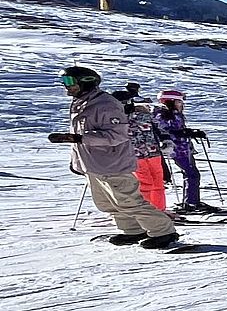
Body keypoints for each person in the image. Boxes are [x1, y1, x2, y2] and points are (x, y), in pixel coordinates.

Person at [49, 66, 178, 248]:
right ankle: (133, 230)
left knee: (130, 201)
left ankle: (164, 231)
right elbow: (81, 135)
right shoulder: (82, 103)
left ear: (86, 82)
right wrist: (76, 161)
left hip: (112, 164)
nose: (65, 85)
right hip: (93, 164)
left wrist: (78, 138)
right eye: (64, 81)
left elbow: (117, 135)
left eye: (69, 81)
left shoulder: (106, 104)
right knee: (107, 203)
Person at [152, 89, 210, 213]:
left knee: (191, 173)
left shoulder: (173, 114)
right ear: (170, 101)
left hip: (183, 148)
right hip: (176, 149)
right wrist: (183, 133)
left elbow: (177, 130)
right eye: (179, 102)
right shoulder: (162, 115)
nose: (181, 104)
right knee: (192, 174)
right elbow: (165, 132)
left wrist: (191, 133)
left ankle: (191, 201)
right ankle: (191, 202)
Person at [123, 87, 168, 212]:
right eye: (144, 106)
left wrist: (165, 140)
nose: (147, 108)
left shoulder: (148, 117)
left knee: (157, 182)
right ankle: (147, 211)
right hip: (137, 154)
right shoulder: (124, 118)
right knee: (145, 183)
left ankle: (159, 209)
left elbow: (159, 129)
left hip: (152, 152)